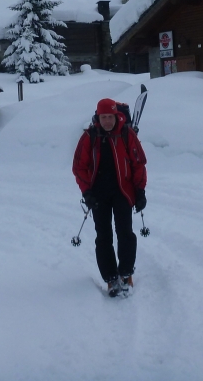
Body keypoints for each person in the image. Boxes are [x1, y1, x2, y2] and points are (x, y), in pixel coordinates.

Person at [72, 97, 148, 297]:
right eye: (103, 117)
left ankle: (126, 274)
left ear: (117, 116)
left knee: (125, 233)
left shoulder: (126, 134)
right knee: (103, 237)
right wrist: (86, 192)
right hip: (98, 194)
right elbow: (79, 167)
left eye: (110, 117)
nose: (107, 121)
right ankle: (110, 278)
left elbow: (138, 163)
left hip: (123, 192)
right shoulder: (90, 136)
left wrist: (140, 191)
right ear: (98, 117)